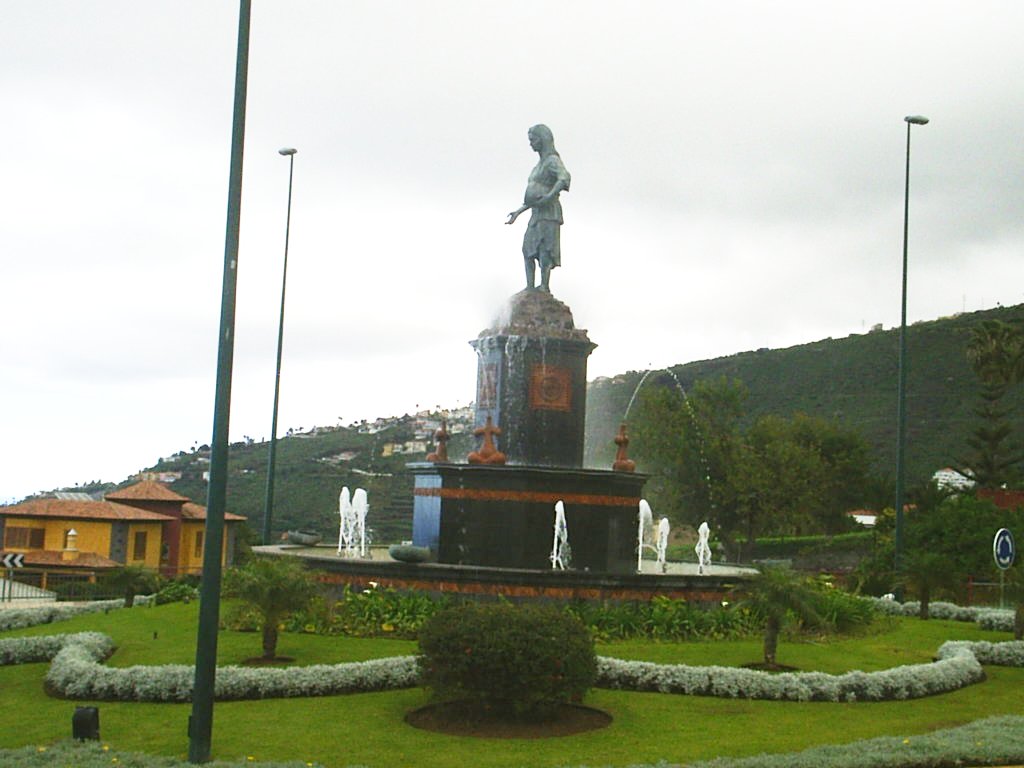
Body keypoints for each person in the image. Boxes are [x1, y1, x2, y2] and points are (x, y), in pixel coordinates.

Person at [506, 124, 570, 292]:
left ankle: (544, 286)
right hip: (536, 213)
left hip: (549, 213)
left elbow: (564, 177)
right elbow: (533, 197)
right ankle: (529, 286)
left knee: (544, 249)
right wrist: (518, 213)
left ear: (542, 140)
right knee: (528, 248)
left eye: (533, 139)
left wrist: (550, 196)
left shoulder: (552, 161)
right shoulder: (538, 165)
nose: (531, 143)